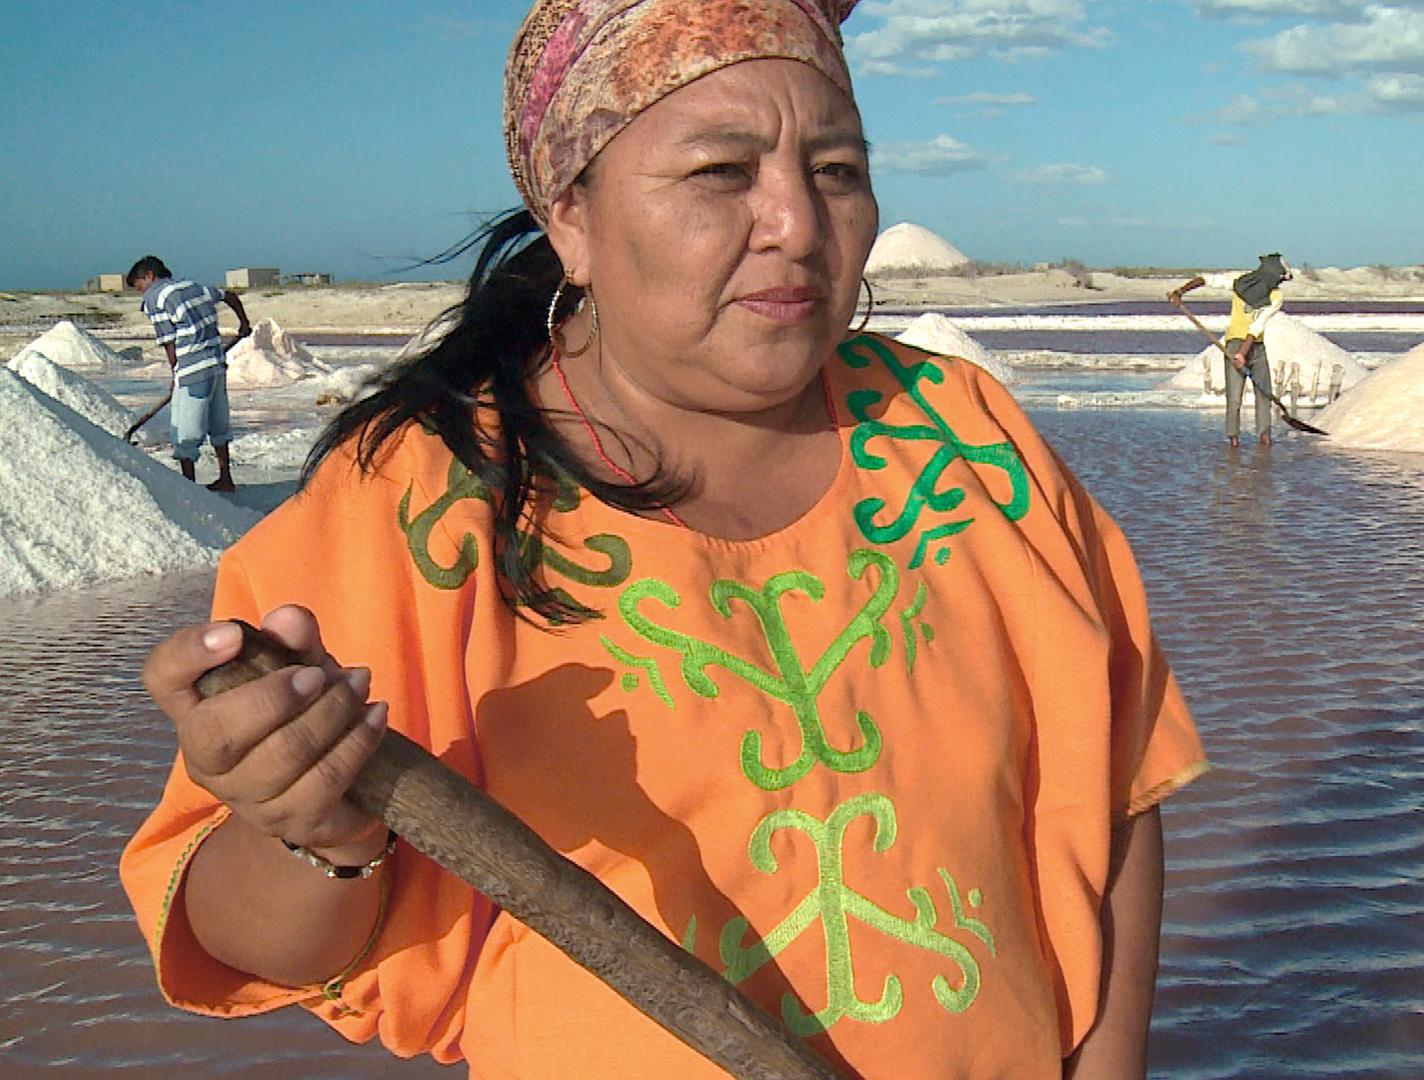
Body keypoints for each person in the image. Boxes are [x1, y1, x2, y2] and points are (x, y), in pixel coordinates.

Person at [119, 3, 1208, 1078]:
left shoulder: (965, 437)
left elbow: (1113, 791)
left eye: (835, 170)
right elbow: (245, 940)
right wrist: (311, 830)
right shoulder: (420, 501)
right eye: (721, 173)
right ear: (572, 219)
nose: (796, 223)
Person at [126, 255, 249, 491]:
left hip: (193, 372)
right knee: (219, 426)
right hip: (217, 365)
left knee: (185, 433)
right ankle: (226, 478)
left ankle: (189, 488)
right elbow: (230, 296)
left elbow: (169, 342)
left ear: (150, 276)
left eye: (140, 287)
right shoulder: (194, 287)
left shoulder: (155, 298)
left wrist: (176, 374)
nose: (141, 293)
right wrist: (243, 323)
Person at [1168, 252, 1291, 447]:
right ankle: (1233, 438)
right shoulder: (1240, 282)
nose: (1281, 282)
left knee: (1264, 393)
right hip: (1233, 344)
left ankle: (1264, 435)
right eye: (1280, 277)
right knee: (1234, 397)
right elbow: (1206, 279)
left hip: (1256, 347)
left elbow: (1257, 326)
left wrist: (1244, 353)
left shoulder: (1276, 296)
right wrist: (1180, 291)